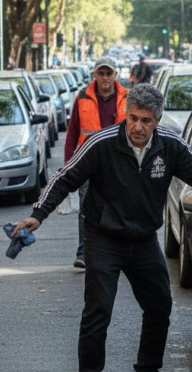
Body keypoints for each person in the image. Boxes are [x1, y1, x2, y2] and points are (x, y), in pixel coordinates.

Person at [12, 83, 192, 372]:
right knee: (98, 312)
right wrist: (38, 215)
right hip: (103, 238)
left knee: (160, 306)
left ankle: (148, 367)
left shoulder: (169, 146)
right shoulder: (102, 144)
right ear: (126, 114)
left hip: (144, 240)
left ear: (157, 121)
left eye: (146, 120)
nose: (138, 126)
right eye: (133, 118)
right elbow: (64, 178)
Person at [64, 57, 128, 269]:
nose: (105, 78)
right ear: (94, 76)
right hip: (88, 164)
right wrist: (68, 165)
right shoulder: (82, 97)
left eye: (109, 73)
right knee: (87, 210)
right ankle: (84, 252)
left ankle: (119, 250)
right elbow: (72, 132)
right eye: (101, 74)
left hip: (120, 164)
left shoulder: (128, 97)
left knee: (120, 207)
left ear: (115, 75)